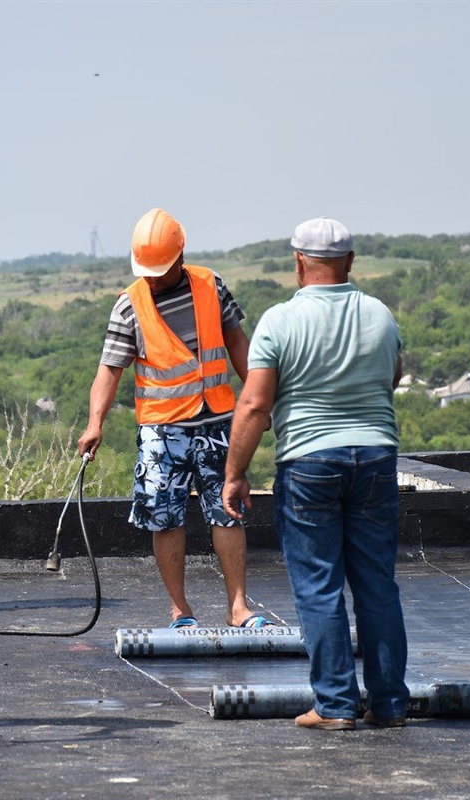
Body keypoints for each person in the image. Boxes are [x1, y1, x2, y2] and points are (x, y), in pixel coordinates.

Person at [222, 217, 409, 731]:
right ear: (350, 262)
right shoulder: (379, 314)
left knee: (319, 587)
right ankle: (390, 703)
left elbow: (256, 406)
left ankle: (335, 705)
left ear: (298, 263)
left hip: (307, 464)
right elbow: (392, 377)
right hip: (374, 458)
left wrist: (235, 474)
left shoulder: (279, 322)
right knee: (377, 584)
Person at [77, 208, 262, 630]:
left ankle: (239, 608)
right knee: (164, 517)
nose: (154, 279)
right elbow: (109, 370)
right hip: (162, 430)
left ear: (181, 256)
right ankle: (180, 610)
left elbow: (237, 341)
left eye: (161, 270)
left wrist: (257, 398)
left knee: (228, 511)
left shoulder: (210, 285)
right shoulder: (129, 305)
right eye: (148, 271)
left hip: (216, 422)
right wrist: (95, 423)